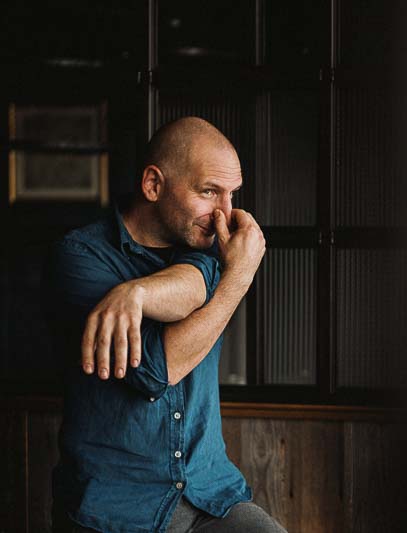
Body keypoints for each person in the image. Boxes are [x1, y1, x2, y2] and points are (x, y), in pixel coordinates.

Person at [45, 117, 287, 532]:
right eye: (209, 191)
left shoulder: (208, 247)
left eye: (232, 195)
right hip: (114, 507)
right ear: (153, 185)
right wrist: (239, 279)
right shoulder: (79, 255)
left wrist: (134, 294)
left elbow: (193, 286)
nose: (225, 214)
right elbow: (156, 370)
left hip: (209, 494)